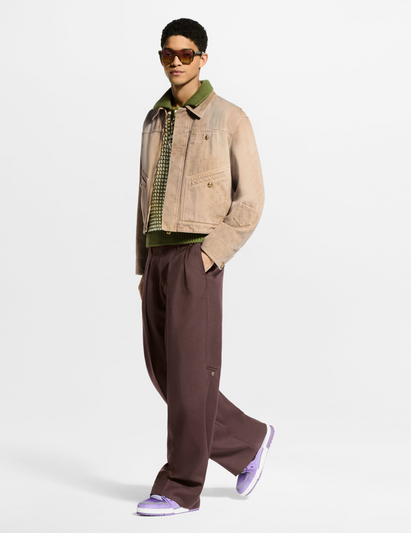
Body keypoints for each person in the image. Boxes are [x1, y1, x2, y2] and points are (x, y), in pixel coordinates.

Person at [135, 18, 274, 517]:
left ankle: (180, 487)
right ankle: (249, 441)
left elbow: (250, 201)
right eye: (167, 54)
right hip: (157, 257)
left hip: (197, 254)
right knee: (165, 372)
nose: (176, 62)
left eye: (186, 54)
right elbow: (143, 196)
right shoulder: (154, 119)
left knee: (191, 376)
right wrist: (143, 265)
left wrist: (208, 256)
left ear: (203, 59)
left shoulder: (230, 118)